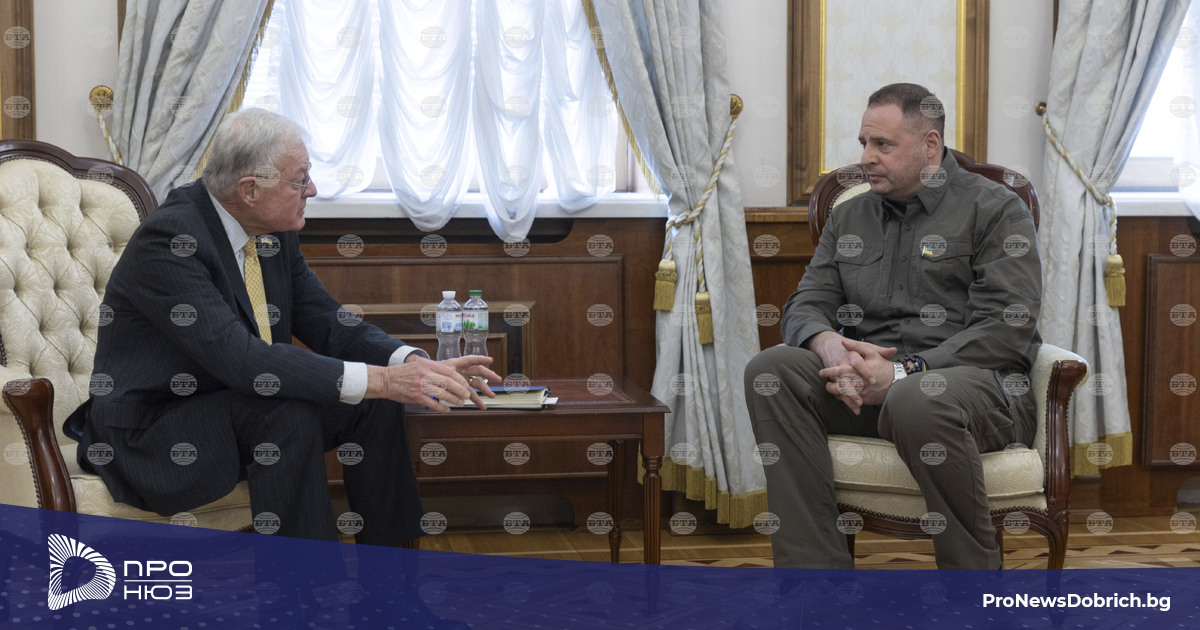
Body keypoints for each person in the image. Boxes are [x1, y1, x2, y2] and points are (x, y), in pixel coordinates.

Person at [66, 108, 501, 546]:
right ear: (250, 190)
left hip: (232, 411)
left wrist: (411, 364)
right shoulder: (170, 242)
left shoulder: (272, 231)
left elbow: (330, 323)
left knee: (375, 402)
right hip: (152, 435)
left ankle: (393, 576)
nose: (312, 189)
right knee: (287, 411)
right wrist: (384, 379)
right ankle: (305, 585)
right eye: (300, 179)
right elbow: (243, 360)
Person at [744, 83, 1042, 570]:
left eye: (883, 144)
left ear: (930, 144)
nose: (867, 157)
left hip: (976, 390)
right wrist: (829, 346)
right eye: (864, 142)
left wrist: (903, 371)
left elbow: (1006, 328)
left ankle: (972, 587)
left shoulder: (995, 209)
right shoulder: (849, 216)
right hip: (867, 388)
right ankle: (813, 583)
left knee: (916, 396)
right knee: (772, 370)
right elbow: (806, 302)